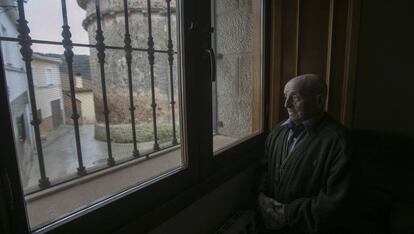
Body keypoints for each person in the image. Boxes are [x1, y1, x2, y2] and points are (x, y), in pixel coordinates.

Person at [257, 74, 351, 233]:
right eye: (285, 97)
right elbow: (264, 169)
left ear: (320, 101)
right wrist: (261, 198)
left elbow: (336, 201)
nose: (286, 104)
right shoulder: (277, 132)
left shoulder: (338, 142)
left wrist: (288, 213)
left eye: (295, 98)